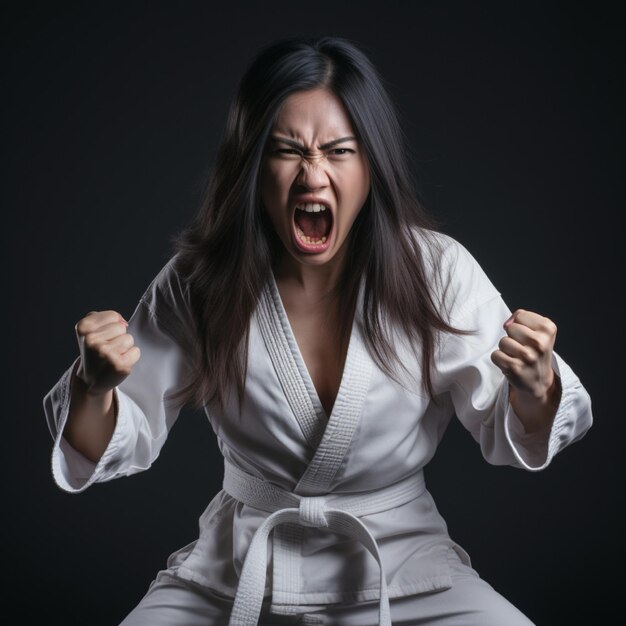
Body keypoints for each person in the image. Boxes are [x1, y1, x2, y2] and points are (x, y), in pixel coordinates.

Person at [43, 35, 593, 626]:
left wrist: (535, 386)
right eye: (287, 150)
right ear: (254, 165)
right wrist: (93, 386)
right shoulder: (202, 281)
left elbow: (515, 431)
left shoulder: (436, 271)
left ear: (371, 165)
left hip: (404, 568)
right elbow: (109, 439)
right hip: (237, 569)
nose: (313, 174)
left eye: (338, 151)